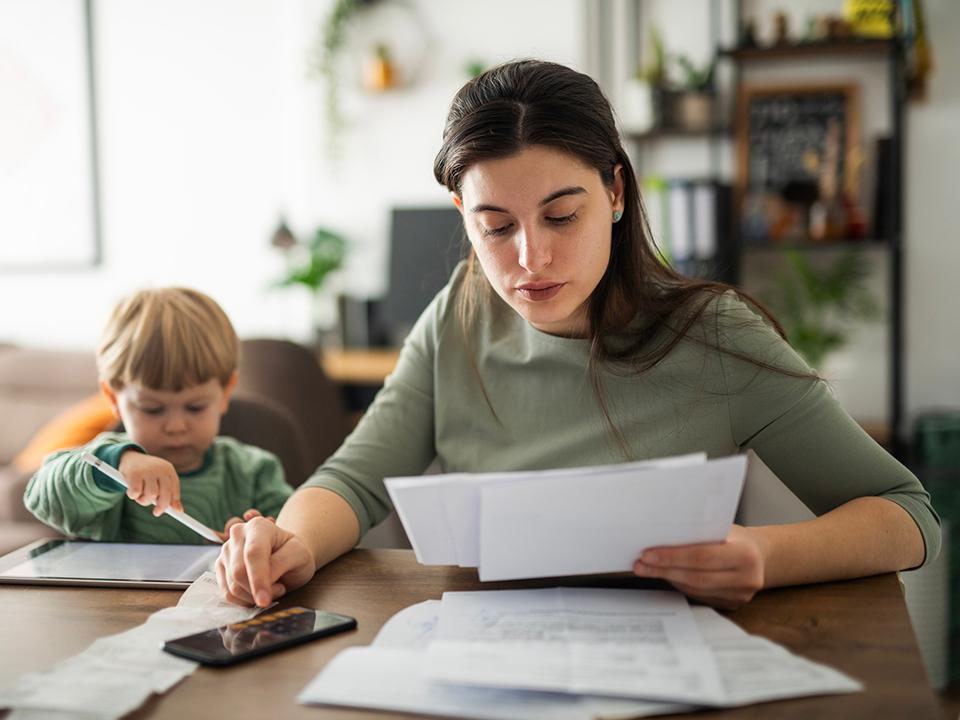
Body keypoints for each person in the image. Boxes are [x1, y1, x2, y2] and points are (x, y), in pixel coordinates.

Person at [217, 60, 939, 610]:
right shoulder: (459, 313)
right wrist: (293, 541)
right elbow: (352, 480)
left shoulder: (716, 336)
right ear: (462, 213)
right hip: (489, 654)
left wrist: (767, 555)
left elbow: (908, 517)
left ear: (616, 193)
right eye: (496, 226)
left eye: (562, 216)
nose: (531, 258)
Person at [25, 287, 294, 543]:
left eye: (195, 407)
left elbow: (295, 536)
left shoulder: (254, 471)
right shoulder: (109, 467)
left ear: (225, 393)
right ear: (113, 398)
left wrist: (261, 539)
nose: (176, 426)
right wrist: (116, 463)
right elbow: (41, 499)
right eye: (152, 409)